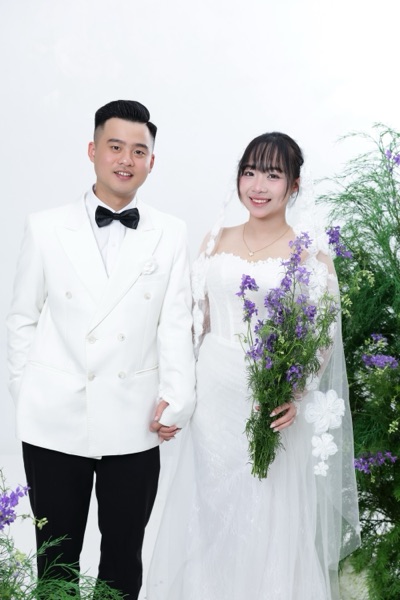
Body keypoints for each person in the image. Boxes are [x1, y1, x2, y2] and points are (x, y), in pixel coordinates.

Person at [147, 132, 360, 599]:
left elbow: (322, 336)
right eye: (249, 172)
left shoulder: (310, 253)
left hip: (267, 403)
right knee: (207, 510)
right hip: (212, 402)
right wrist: (177, 393)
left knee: (265, 511)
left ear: (294, 185)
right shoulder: (215, 241)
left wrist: (295, 393)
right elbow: (193, 324)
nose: (258, 185)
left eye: (272, 174)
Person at [6, 99, 196, 600]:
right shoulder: (45, 226)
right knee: (56, 557)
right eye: (115, 147)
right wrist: (29, 393)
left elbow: (176, 322)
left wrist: (178, 397)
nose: (126, 160)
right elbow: (22, 318)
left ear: (151, 162)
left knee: (123, 557)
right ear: (93, 151)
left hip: (134, 419)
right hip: (53, 419)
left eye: (139, 151)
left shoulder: (170, 232)